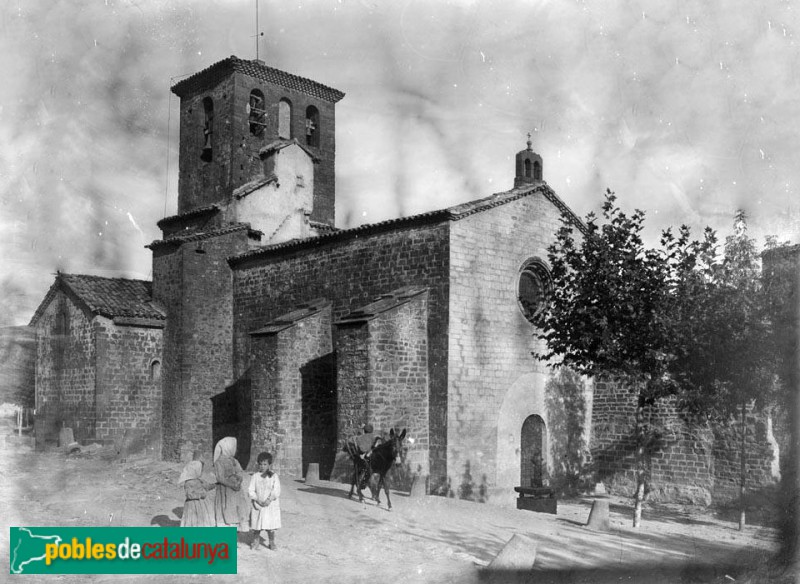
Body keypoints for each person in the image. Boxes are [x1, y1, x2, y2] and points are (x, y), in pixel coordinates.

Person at [213, 437, 249, 531]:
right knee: (226, 510)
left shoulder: (234, 461)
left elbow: (239, 472)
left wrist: (239, 481)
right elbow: (220, 478)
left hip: (236, 490)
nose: (236, 450)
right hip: (226, 490)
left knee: (236, 510)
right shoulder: (219, 462)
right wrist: (232, 485)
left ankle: (234, 536)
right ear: (228, 447)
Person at [248, 452, 281, 551]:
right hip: (258, 504)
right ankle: (256, 541)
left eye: (265, 464)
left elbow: (277, 490)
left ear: (269, 465)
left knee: (270, 525)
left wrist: (269, 499)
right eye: (261, 464)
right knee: (257, 525)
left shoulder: (274, 476)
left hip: (269, 505)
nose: (262, 466)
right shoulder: (255, 476)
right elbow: (251, 490)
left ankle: (271, 542)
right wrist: (257, 499)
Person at [177, 459, 214, 527]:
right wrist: (200, 495)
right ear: (195, 471)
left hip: (202, 504)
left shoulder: (200, 480)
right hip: (192, 504)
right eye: (200, 470)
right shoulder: (188, 483)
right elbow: (189, 495)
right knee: (193, 518)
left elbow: (207, 486)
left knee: (201, 518)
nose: (201, 472)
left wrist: (214, 485)